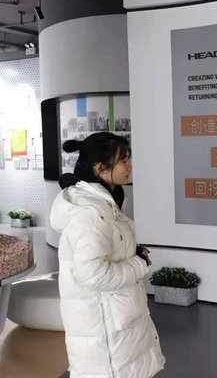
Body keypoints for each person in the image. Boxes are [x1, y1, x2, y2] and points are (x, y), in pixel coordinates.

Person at [50, 132, 165, 378]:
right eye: (123, 161)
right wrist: (138, 264)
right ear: (100, 168)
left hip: (117, 322)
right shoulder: (91, 214)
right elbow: (93, 273)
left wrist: (133, 251)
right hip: (104, 331)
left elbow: (108, 248)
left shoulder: (108, 204)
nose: (129, 167)